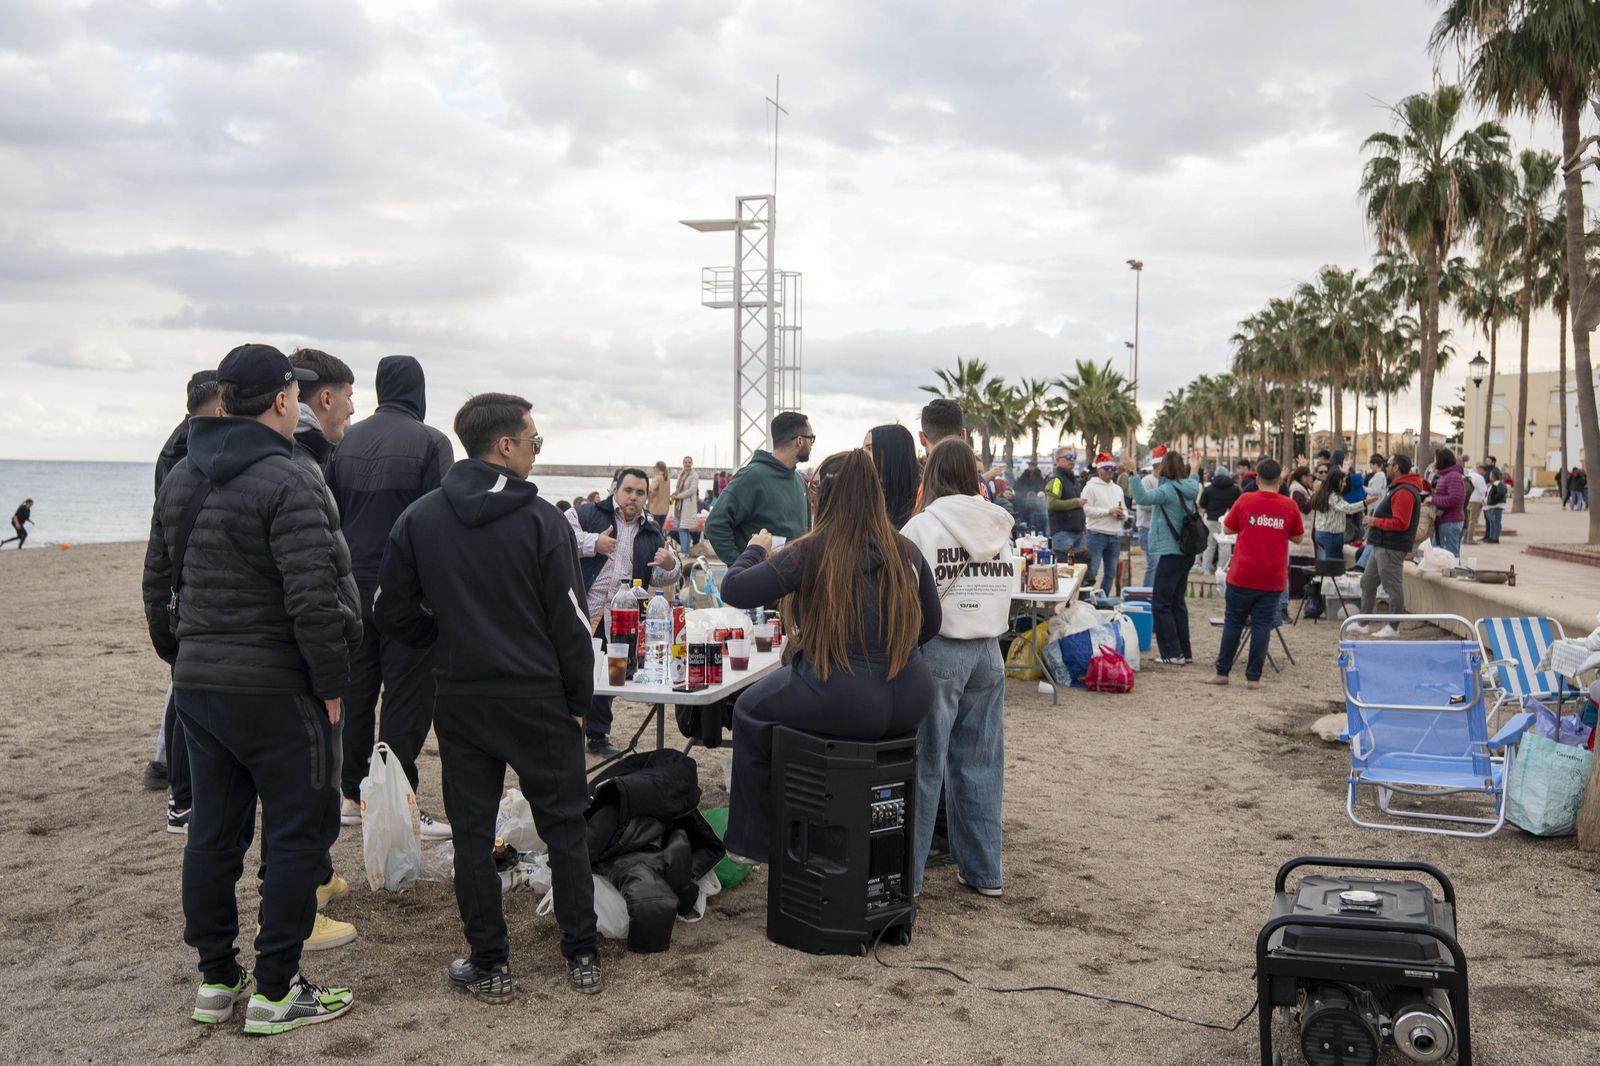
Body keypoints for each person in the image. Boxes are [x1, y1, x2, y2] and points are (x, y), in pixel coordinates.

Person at [142, 343, 357, 1034]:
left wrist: (183, 655)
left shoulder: (181, 475)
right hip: (275, 689)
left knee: (213, 832)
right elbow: (314, 598)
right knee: (297, 835)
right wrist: (330, 684)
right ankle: (274, 988)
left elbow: (158, 583)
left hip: (203, 686)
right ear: (283, 400)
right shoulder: (289, 476)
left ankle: (215, 979)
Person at [374, 392, 602, 999]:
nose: (535, 451)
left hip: (463, 695)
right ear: (505, 445)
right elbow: (572, 623)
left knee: (473, 834)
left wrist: (440, 635)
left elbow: (389, 609)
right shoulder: (543, 521)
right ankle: (582, 955)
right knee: (564, 827)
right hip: (537, 697)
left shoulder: (421, 518)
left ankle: (491, 962)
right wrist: (579, 697)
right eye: (534, 441)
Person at [717, 449, 940, 864]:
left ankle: (751, 843)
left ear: (826, 496)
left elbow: (734, 590)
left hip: (843, 694)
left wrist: (754, 550)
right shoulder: (906, 550)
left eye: (814, 488)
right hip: (911, 695)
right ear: (875, 494)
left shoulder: (813, 549)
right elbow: (931, 624)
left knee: (748, 710)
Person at [329, 355, 455, 835]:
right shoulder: (431, 442)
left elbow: (330, 515)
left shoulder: (345, 441)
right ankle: (397, 801)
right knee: (407, 697)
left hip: (351, 588)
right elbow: (440, 523)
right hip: (405, 592)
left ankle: (350, 794)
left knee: (357, 692)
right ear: (419, 389)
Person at [901, 439, 1014, 898]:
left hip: (941, 648)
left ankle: (909, 878)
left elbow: (905, 591)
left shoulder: (921, 527)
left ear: (932, 473)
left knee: (926, 765)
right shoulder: (999, 523)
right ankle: (985, 871)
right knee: (982, 762)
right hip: (989, 649)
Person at [144, 371, 225, 797]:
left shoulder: (178, 446)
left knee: (183, 681)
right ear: (218, 408)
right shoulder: (185, 454)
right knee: (183, 684)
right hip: (189, 583)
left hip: (182, 582)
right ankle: (171, 775)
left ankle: (167, 767)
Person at [566, 467, 681, 756]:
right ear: (615, 490)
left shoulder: (651, 531)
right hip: (579, 609)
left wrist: (670, 564)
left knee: (609, 672)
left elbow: (663, 577)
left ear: (646, 497)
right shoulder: (586, 513)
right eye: (628, 490)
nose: (633, 497)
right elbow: (560, 536)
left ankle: (597, 734)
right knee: (569, 671)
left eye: (640, 493)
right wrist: (595, 543)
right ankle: (564, 734)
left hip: (622, 615)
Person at [1205, 458, 1304, 689]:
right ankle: (1253, 678)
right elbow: (1298, 537)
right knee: (1261, 625)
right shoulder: (1289, 505)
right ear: (1280, 481)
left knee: (1233, 623)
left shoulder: (1246, 500)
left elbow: (1227, 528)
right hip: (1272, 578)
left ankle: (1222, 672)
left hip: (1242, 574)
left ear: (1257, 479)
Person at [704, 412, 813, 562]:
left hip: (795, 581)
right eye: (811, 438)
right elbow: (715, 525)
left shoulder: (800, 482)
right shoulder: (752, 476)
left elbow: (806, 534)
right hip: (760, 581)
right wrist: (740, 567)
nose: (812, 443)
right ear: (799, 441)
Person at [1129, 450, 1201, 664]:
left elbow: (1141, 497)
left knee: (1160, 602)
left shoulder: (1168, 490)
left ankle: (1172, 653)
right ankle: (1184, 652)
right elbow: (1194, 480)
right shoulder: (1190, 486)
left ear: (1164, 469)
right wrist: (1195, 468)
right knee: (1177, 601)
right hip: (1186, 552)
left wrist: (1133, 472)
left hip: (1171, 552)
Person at [1354, 453, 1426, 637]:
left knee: (1392, 587)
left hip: (1391, 546)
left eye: (1389, 464)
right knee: (1368, 581)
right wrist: (1374, 521)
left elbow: (1401, 523)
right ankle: (1364, 622)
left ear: (1396, 467)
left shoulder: (1404, 491)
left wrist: (1374, 521)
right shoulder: (1399, 488)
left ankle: (1393, 626)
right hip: (1382, 545)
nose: (1386, 467)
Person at [1079, 453, 1126, 596]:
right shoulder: (1090, 488)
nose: (1110, 470)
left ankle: (1102, 600)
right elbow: (1085, 510)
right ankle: (1086, 600)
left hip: (1114, 535)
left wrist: (1123, 515)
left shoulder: (1117, 489)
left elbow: (1124, 509)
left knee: (1110, 573)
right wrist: (1108, 512)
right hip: (1096, 534)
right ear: (1099, 469)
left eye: (1112, 467)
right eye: (1106, 468)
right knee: (1091, 572)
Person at [1306, 468, 1366, 562]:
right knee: (1334, 565)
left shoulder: (1322, 493)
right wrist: (1365, 503)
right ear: (1336, 481)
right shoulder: (1333, 496)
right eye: (1343, 482)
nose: (1345, 484)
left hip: (1320, 533)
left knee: (1324, 563)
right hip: (1332, 535)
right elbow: (1348, 508)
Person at [867, 424, 920, 529]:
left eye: (870, 449)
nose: (862, 454)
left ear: (892, 453)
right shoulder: (864, 498)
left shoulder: (922, 502)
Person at [1043, 446, 1086, 558]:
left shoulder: (1073, 480)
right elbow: (1051, 503)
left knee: (1080, 569)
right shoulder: (1056, 480)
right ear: (1058, 460)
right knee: (1064, 571)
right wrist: (1075, 503)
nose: (1072, 460)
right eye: (1068, 457)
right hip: (1063, 534)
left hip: (1078, 532)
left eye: (1073, 457)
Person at [1198, 466, 1241, 575]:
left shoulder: (1208, 489)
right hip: (1227, 520)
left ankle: (1206, 569)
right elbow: (1239, 504)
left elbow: (1202, 504)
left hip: (1211, 519)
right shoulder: (1235, 489)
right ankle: (1221, 570)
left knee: (1209, 544)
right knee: (1224, 545)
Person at [1429, 448, 1465, 557]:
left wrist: (1433, 500)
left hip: (1450, 522)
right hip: (1446, 521)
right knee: (1444, 555)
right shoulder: (1447, 476)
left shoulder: (1452, 476)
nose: (1434, 463)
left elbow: (1455, 499)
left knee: (1450, 556)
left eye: (1436, 460)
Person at [671, 456, 699, 552]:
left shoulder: (694, 475)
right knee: (681, 528)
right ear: (683, 463)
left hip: (688, 504)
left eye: (689, 462)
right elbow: (679, 489)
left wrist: (678, 496)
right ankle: (685, 550)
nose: (687, 464)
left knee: (683, 528)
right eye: (685, 462)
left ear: (692, 463)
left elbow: (692, 490)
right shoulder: (681, 474)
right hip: (679, 505)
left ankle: (684, 551)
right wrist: (675, 493)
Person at [1015, 460, 1047, 531]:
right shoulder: (1024, 475)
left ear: (1035, 466)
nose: (1030, 466)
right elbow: (1017, 485)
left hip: (1035, 500)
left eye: (1032, 465)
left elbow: (1041, 487)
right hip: (1024, 499)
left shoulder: (1039, 476)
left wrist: (1037, 494)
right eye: (1029, 465)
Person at [1463, 455, 1487, 545]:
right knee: (1473, 521)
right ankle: (1470, 539)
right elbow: (1483, 490)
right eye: (1484, 470)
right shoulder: (1480, 478)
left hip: (1468, 500)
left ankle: (1465, 538)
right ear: (1480, 469)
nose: (1484, 472)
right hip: (1476, 501)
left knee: (1467, 520)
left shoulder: (1469, 475)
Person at [1483, 468, 1507, 543]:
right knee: (1492, 522)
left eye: (1491, 475)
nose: (1489, 476)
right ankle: (1491, 537)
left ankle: (1495, 538)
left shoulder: (1499, 484)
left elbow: (1501, 493)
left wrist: (1492, 500)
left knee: (1496, 522)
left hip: (1496, 506)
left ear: (1494, 475)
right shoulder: (1493, 484)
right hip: (1491, 506)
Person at [647, 461, 672, 527]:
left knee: (654, 529)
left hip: (655, 509)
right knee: (660, 529)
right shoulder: (667, 479)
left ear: (657, 468)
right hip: (665, 509)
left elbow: (650, 489)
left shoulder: (657, 478)